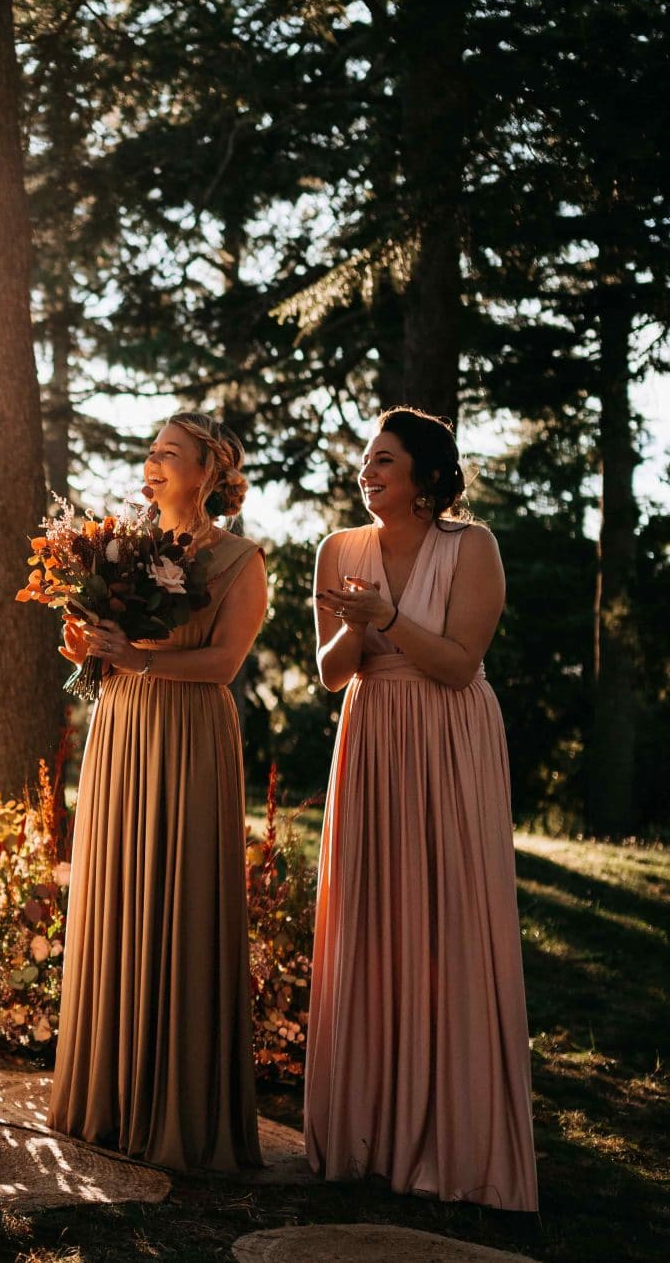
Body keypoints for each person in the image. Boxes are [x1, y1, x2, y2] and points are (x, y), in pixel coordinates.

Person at [306, 406, 539, 1213]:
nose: (368, 471)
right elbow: (332, 673)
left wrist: (389, 618)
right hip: (371, 737)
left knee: (448, 916)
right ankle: (367, 1128)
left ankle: (452, 1135)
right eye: (366, 459)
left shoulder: (471, 547)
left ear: (426, 479)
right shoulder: (338, 550)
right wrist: (354, 626)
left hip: (447, 740)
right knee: (370, 919)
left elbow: (457, 664)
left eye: (385, 460)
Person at [49, 412, 267, 1173]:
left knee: (180, 898)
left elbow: (223, 663)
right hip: (125, 730)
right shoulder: (121, 545)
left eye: (170, 453)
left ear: (210, 471)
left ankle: (175, 1106)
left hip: (190, 737)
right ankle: (108, 1098)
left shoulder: (242, 559)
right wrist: (91, 650)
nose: (154, 463)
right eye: (150, 452)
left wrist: (136, 660)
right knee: (120, 894)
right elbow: (107, 652)